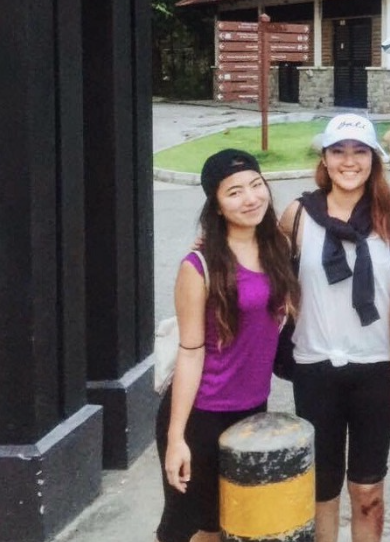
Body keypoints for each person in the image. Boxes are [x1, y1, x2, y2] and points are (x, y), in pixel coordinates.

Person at [157, 149, 300, 542]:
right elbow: (190, 352)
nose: (250, 198)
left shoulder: (278, 248)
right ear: (216, 206)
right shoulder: (198, 266)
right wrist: (176, 438)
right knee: (189, 527)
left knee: (234, 523)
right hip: (203, 413)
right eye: (234, 192)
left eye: (256, 185)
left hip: (251, 412)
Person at [281, 114, 390, 542]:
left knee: (368, 491)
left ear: (374, 160)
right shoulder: (298, 215)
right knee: (321, 489)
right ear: (325, 159)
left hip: (377, 367)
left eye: (359, 152)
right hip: (315, 368)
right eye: (339, 151)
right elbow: (261, 266)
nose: (349, 161)